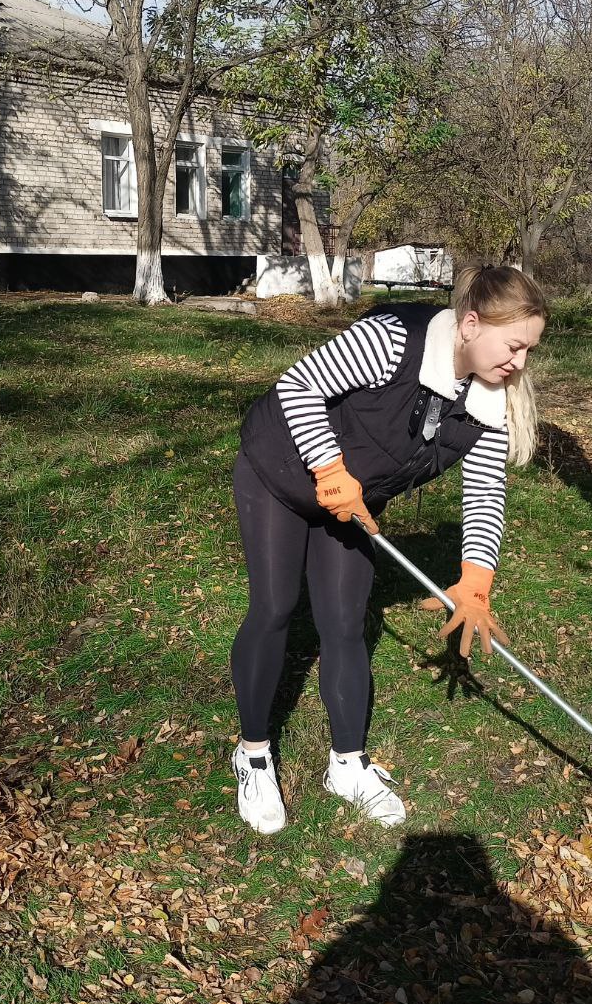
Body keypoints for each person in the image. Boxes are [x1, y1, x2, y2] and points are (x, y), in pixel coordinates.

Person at [229, 266, 547, 834]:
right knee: (274, 607)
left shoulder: (488, 404)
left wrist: (476, 580)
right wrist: (328, 468)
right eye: (515, 346)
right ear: (471, 325)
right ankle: (253, 753)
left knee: (345, 622)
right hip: (278, 468)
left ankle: (346, 766)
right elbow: (296, 386)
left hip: (353, 500)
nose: (519, 363)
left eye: (528, 350)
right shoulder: (395, 339)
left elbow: (484, 493)